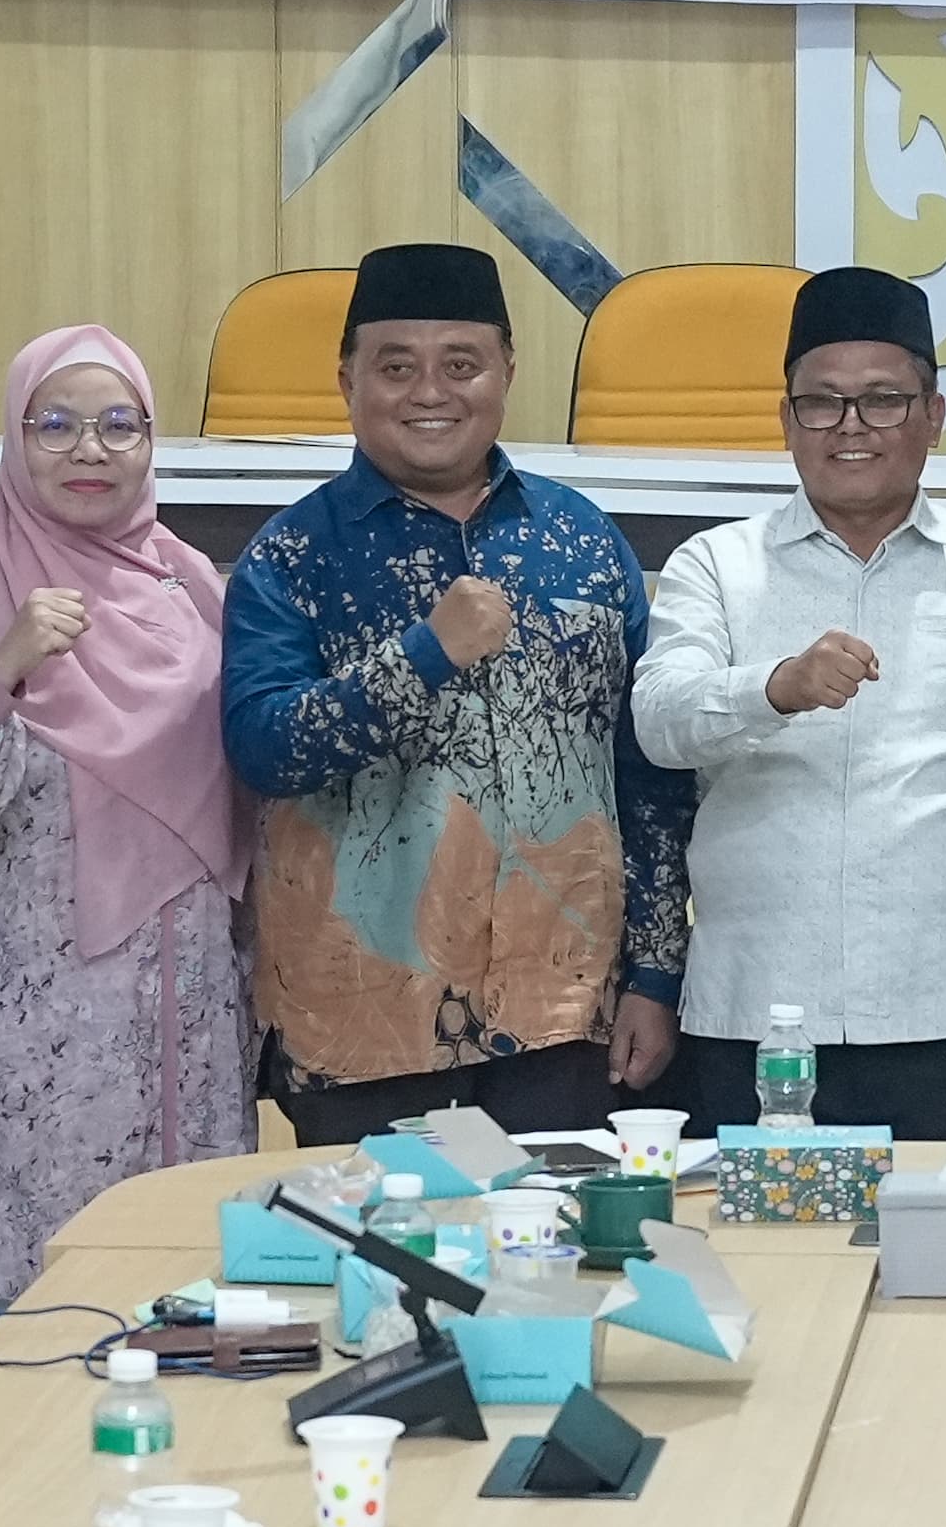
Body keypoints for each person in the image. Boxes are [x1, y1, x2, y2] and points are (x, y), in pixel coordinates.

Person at [0, 327, 251, 1406]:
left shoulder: (189, 588)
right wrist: (5, 668)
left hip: (184, 1000)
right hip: (25, 1005)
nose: (90, 449)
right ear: (14, 436)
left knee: (174, 1255)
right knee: (28, 1258)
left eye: (120, 424)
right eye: (57, 424)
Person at [224, 244, 690, 1141]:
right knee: (374, 1238)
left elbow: (648, 776)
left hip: (564, 1016)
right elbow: (263, 749)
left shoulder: (583, 541)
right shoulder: (293, 556)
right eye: (396, 368)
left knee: (557, 1237)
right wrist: (422, 657)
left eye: (461, 364)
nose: (430, 392)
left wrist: (656, 976)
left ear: (507, 370)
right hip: (363, 1023)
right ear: (347, 380)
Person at [633, 268, 946, 1139]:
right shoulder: (715, 566)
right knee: (755, 1233)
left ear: (933, 415)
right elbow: (660, 722)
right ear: (785, 418)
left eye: (882, 400)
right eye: (821, 402)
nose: (850, 426)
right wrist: (774, 687)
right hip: (759, 1011)